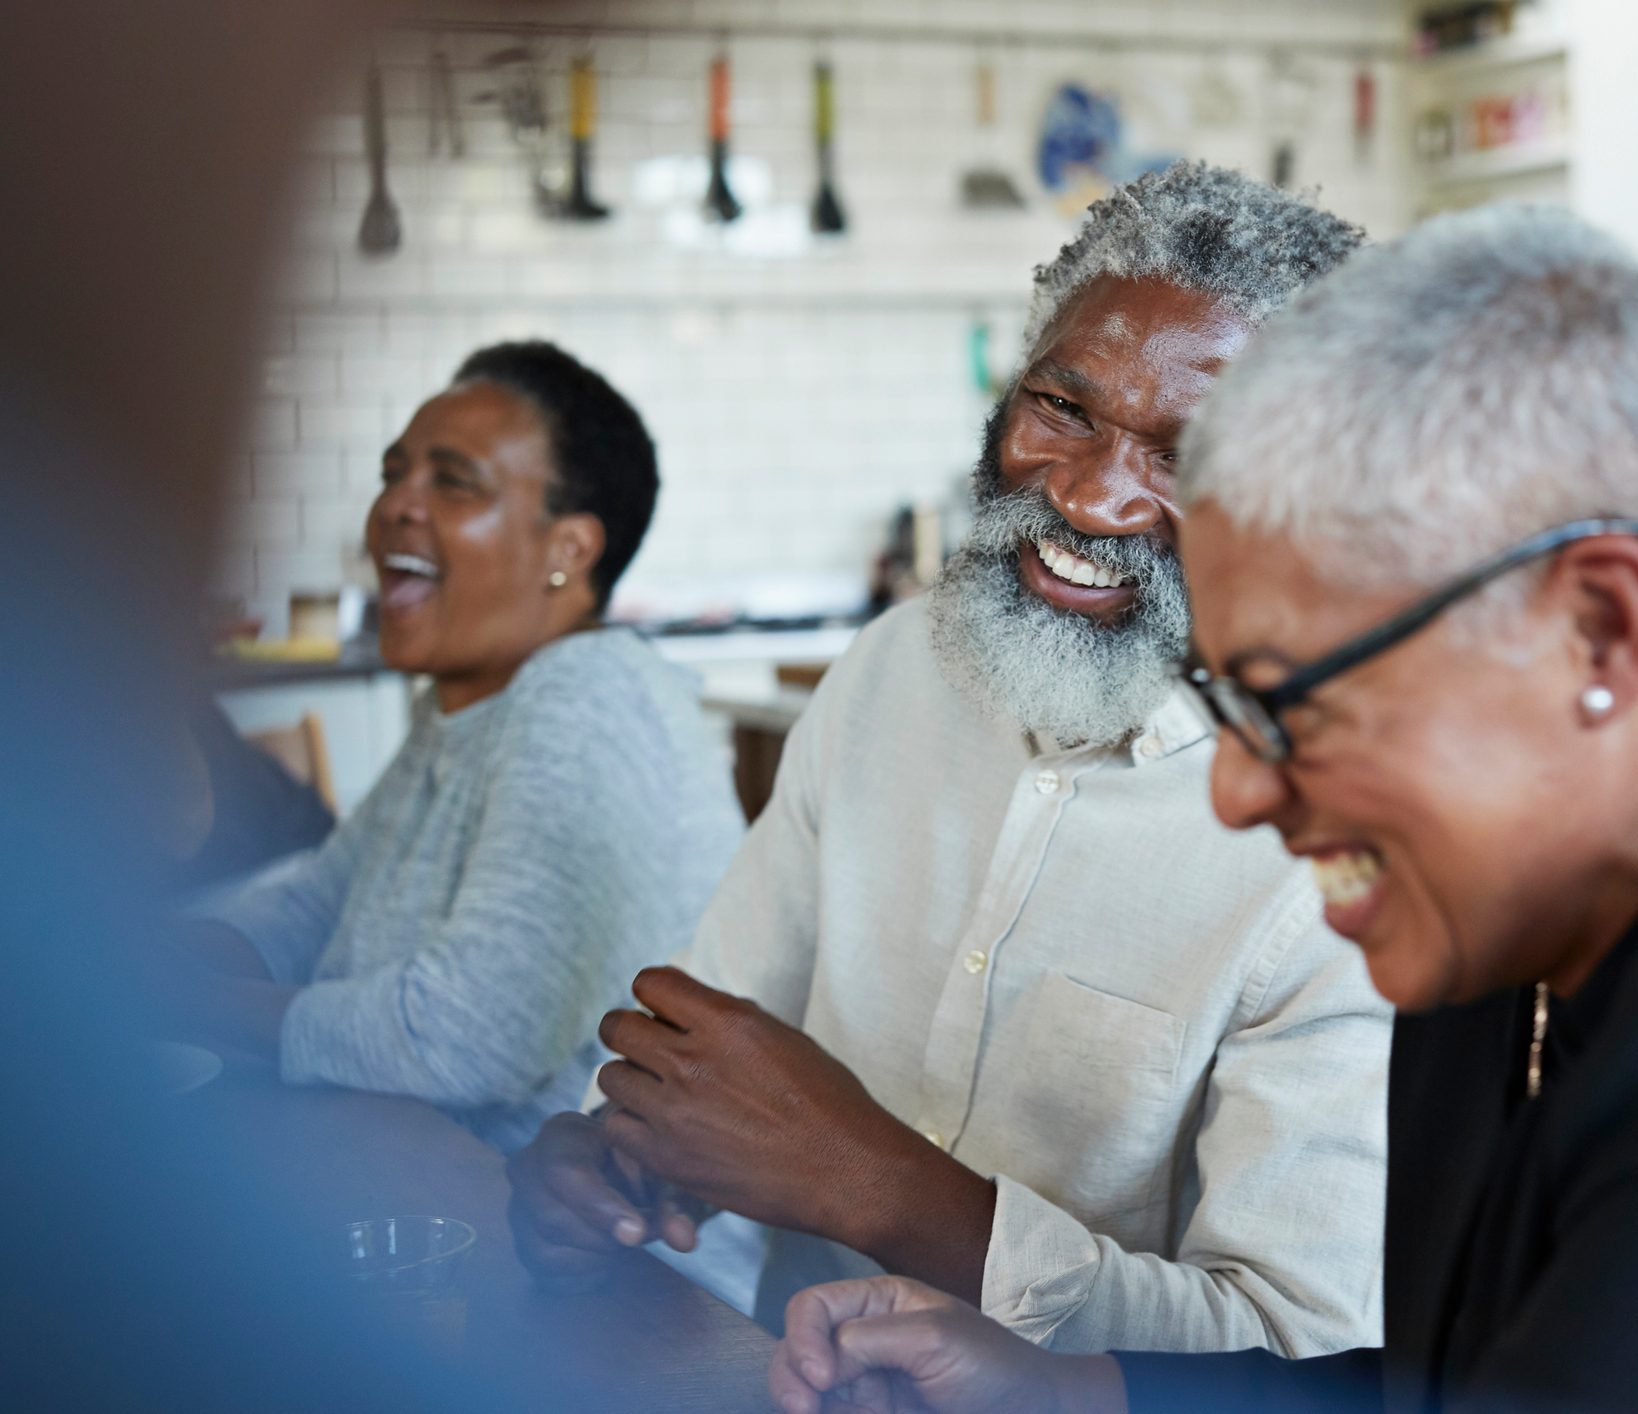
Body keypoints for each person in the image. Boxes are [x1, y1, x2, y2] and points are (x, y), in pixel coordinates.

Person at [762, 205, 1638, 1412]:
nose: (1240, 787)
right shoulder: (1532, 902)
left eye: (1298, 702)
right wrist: (1079, 1389)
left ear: (1598, 630)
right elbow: (1455, 1375)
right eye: (1228, 701)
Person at [506, 163, 1393, 1359]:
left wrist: (881, 1190)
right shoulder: (891, 674)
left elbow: (1300, 1351)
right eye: (1064, 410)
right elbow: (711, 1060)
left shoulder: (1343, 849)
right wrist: (612, 1166)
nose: (1089, 496)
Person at [171, 340, 746, 1153]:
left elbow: (469, 1033)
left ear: (568, 551)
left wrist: (177, 999)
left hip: (607, 1250)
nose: (395, 507)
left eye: (452, 482)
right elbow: (314, 907)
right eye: (393, 474)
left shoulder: (588, 699)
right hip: (441, 1176)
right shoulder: (466, 710)